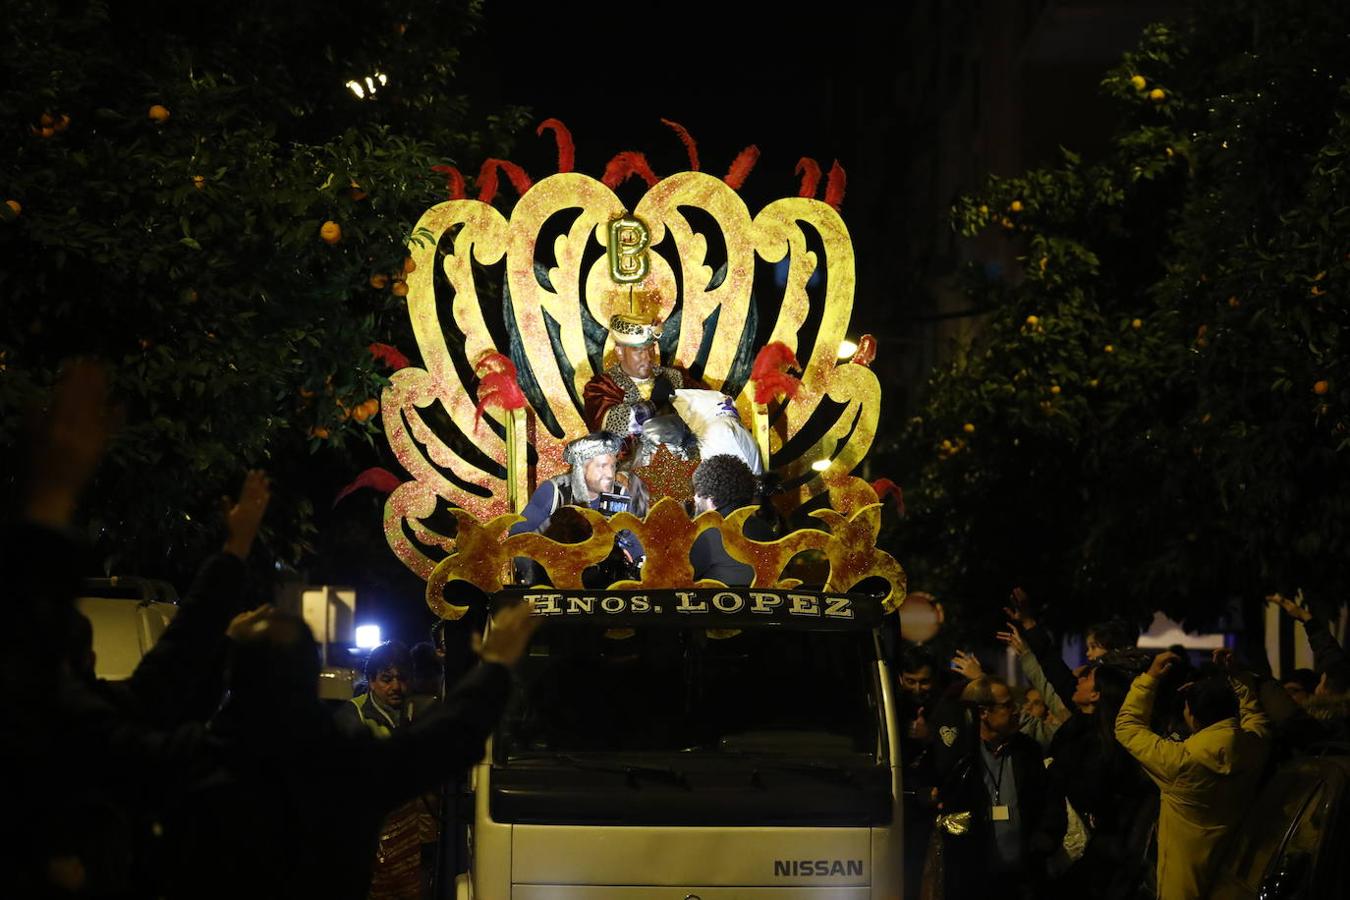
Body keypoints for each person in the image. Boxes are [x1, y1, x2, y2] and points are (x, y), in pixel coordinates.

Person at [161, 602, 538, 899]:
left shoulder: (189, 758)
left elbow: (150, 705)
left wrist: (223, 649)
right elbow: (445, 739)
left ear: (233, 677)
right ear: (313, 677)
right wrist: (494, 667)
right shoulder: (344, 764)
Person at [1114, 650, 1272, 900]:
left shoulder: (1180, 762)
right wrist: (1236, 677)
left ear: (1194, 718)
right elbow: (1255, 716)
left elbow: (1127, 727)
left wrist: (1150, 677)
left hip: (1185, 886)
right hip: (1236, 878)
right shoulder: (1254, 746)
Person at [932, 675, 1062, 899]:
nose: (1016, 711)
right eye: (1008, 705)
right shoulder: (958, 754)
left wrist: (1045, 840)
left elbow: (1049, 800)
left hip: (1022, 881)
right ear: (983, 712)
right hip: (973, 880)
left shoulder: (1027, 750)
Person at [581, 309, 700, 436]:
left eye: (650, 349)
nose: (648, 358)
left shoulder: (675, 376)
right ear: (620, 352)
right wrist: (656, 403)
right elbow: (609, 427)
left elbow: (708, 406)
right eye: (639, 351)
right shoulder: (601, 386)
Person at [688, 454, 774, 585]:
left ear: (710, 499)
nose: (694, 498)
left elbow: (674, 580)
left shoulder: (705, 534)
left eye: (697, 494)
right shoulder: (766, 531)